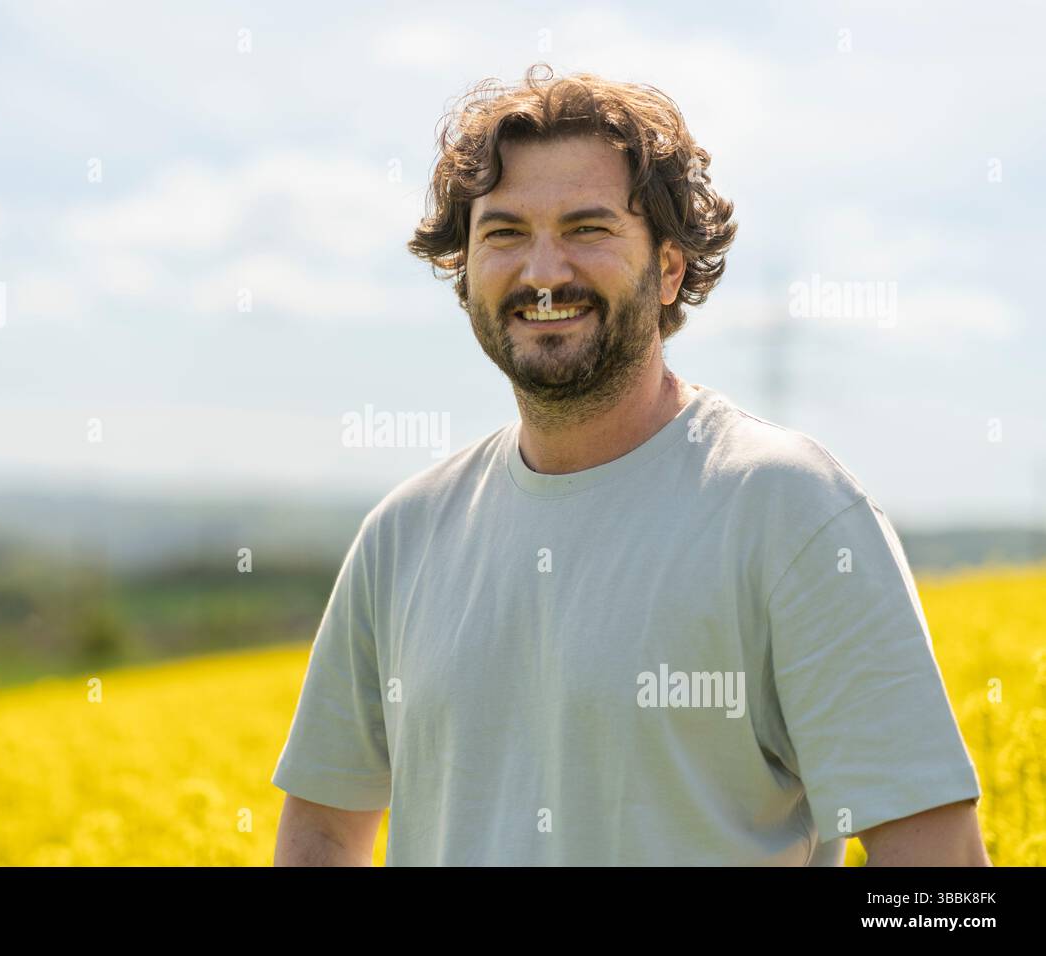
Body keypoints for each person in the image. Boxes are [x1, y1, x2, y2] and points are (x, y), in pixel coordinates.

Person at [271, 64, 988, 866]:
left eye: (587, 229)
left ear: (670, 268)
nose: (543, 274)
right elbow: (324, 833)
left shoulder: (791, 511)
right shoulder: (399, 537)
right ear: (465, 269)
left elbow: (939, 869)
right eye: (504, 234)